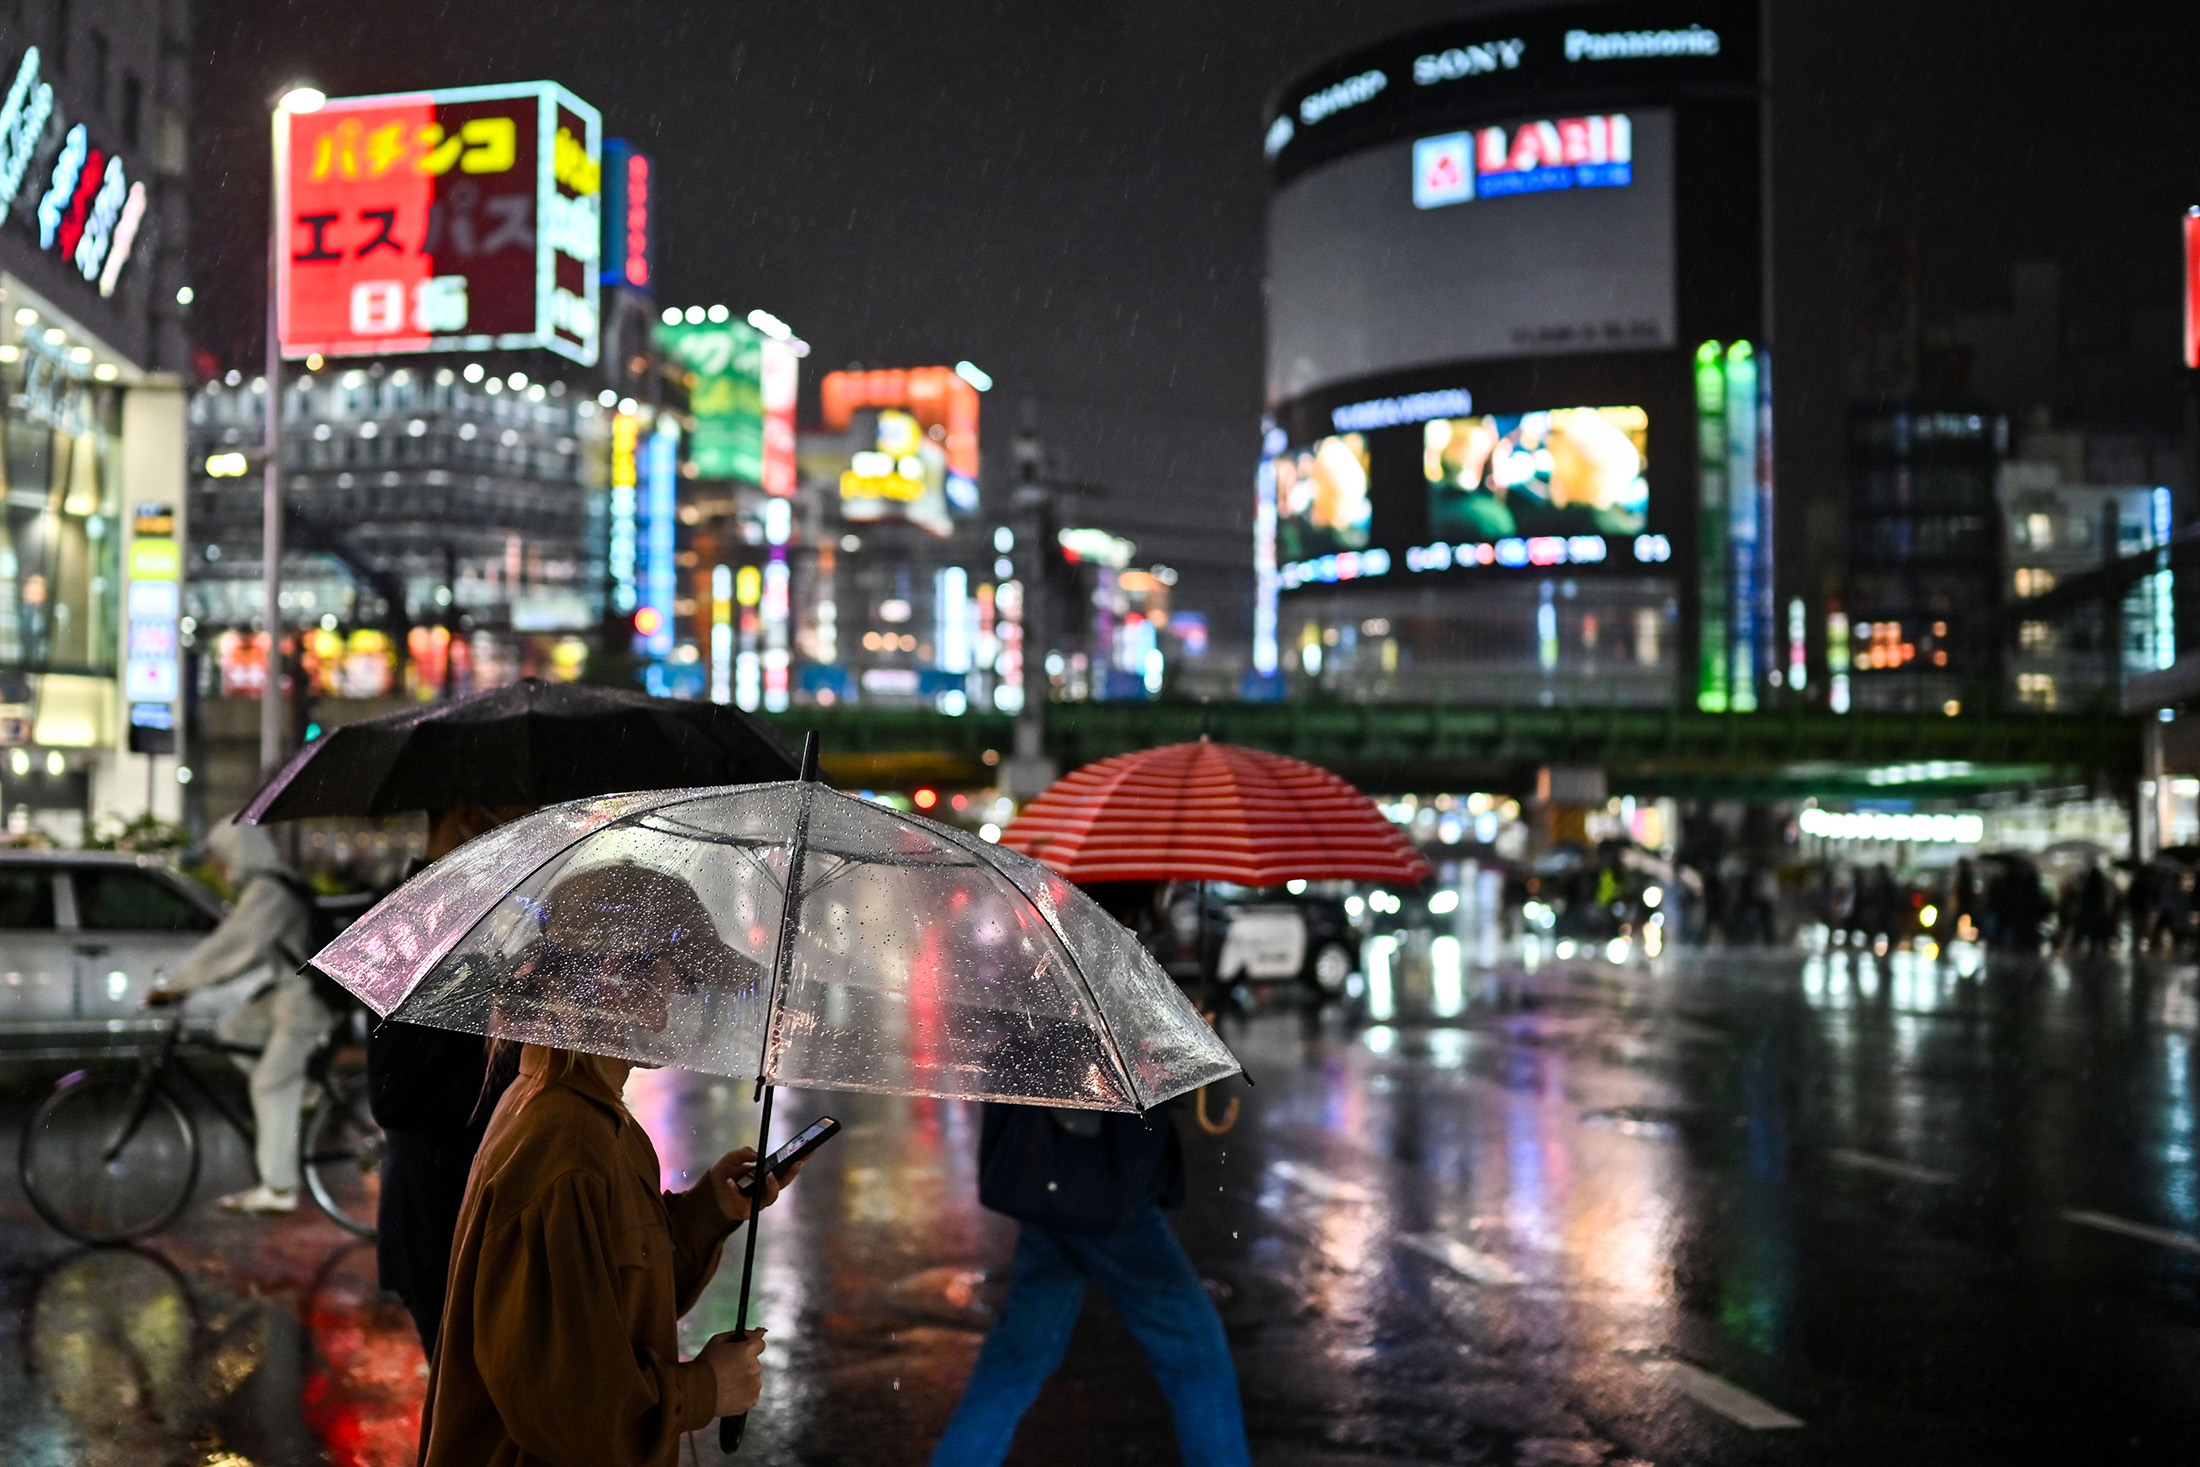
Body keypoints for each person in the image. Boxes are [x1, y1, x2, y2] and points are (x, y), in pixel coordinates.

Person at [419, 862, 790, 1467]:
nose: (681, 992)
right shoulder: (562, 1145)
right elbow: (571, 1409)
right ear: (611, 976)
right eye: (672, 971)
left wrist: (709, 1212)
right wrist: (705, 1389)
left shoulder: (597, 1119)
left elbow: (609, 1299)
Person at [929, 888, 1250, 1467]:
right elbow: (1096, 1062)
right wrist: (1176, 1039)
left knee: (1020, 1355)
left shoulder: (1067, 939)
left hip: (1058, 1186)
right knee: (1195, 1352)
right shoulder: (1104, 948)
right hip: (1099, 1187)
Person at [370, 804, 532, 1355]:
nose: (530, 822)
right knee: (462, 1422)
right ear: (467, 816)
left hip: (468, 1216)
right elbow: (396, 1093)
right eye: (517, 812)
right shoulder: (417, 924)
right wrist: (507, 1074)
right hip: (440, 1218)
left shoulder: (473, 915)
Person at [145, 821, 325, 1214]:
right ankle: (307, 1091)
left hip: (307, 1002)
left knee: (269, 1084)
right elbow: (241, 948)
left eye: (219, 860)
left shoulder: (270, 891)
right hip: (290, 995)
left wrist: (178, 985)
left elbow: (233, 946)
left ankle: (279, 1190)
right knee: (234, 1029)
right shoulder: (270, 885)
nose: (218, 870)